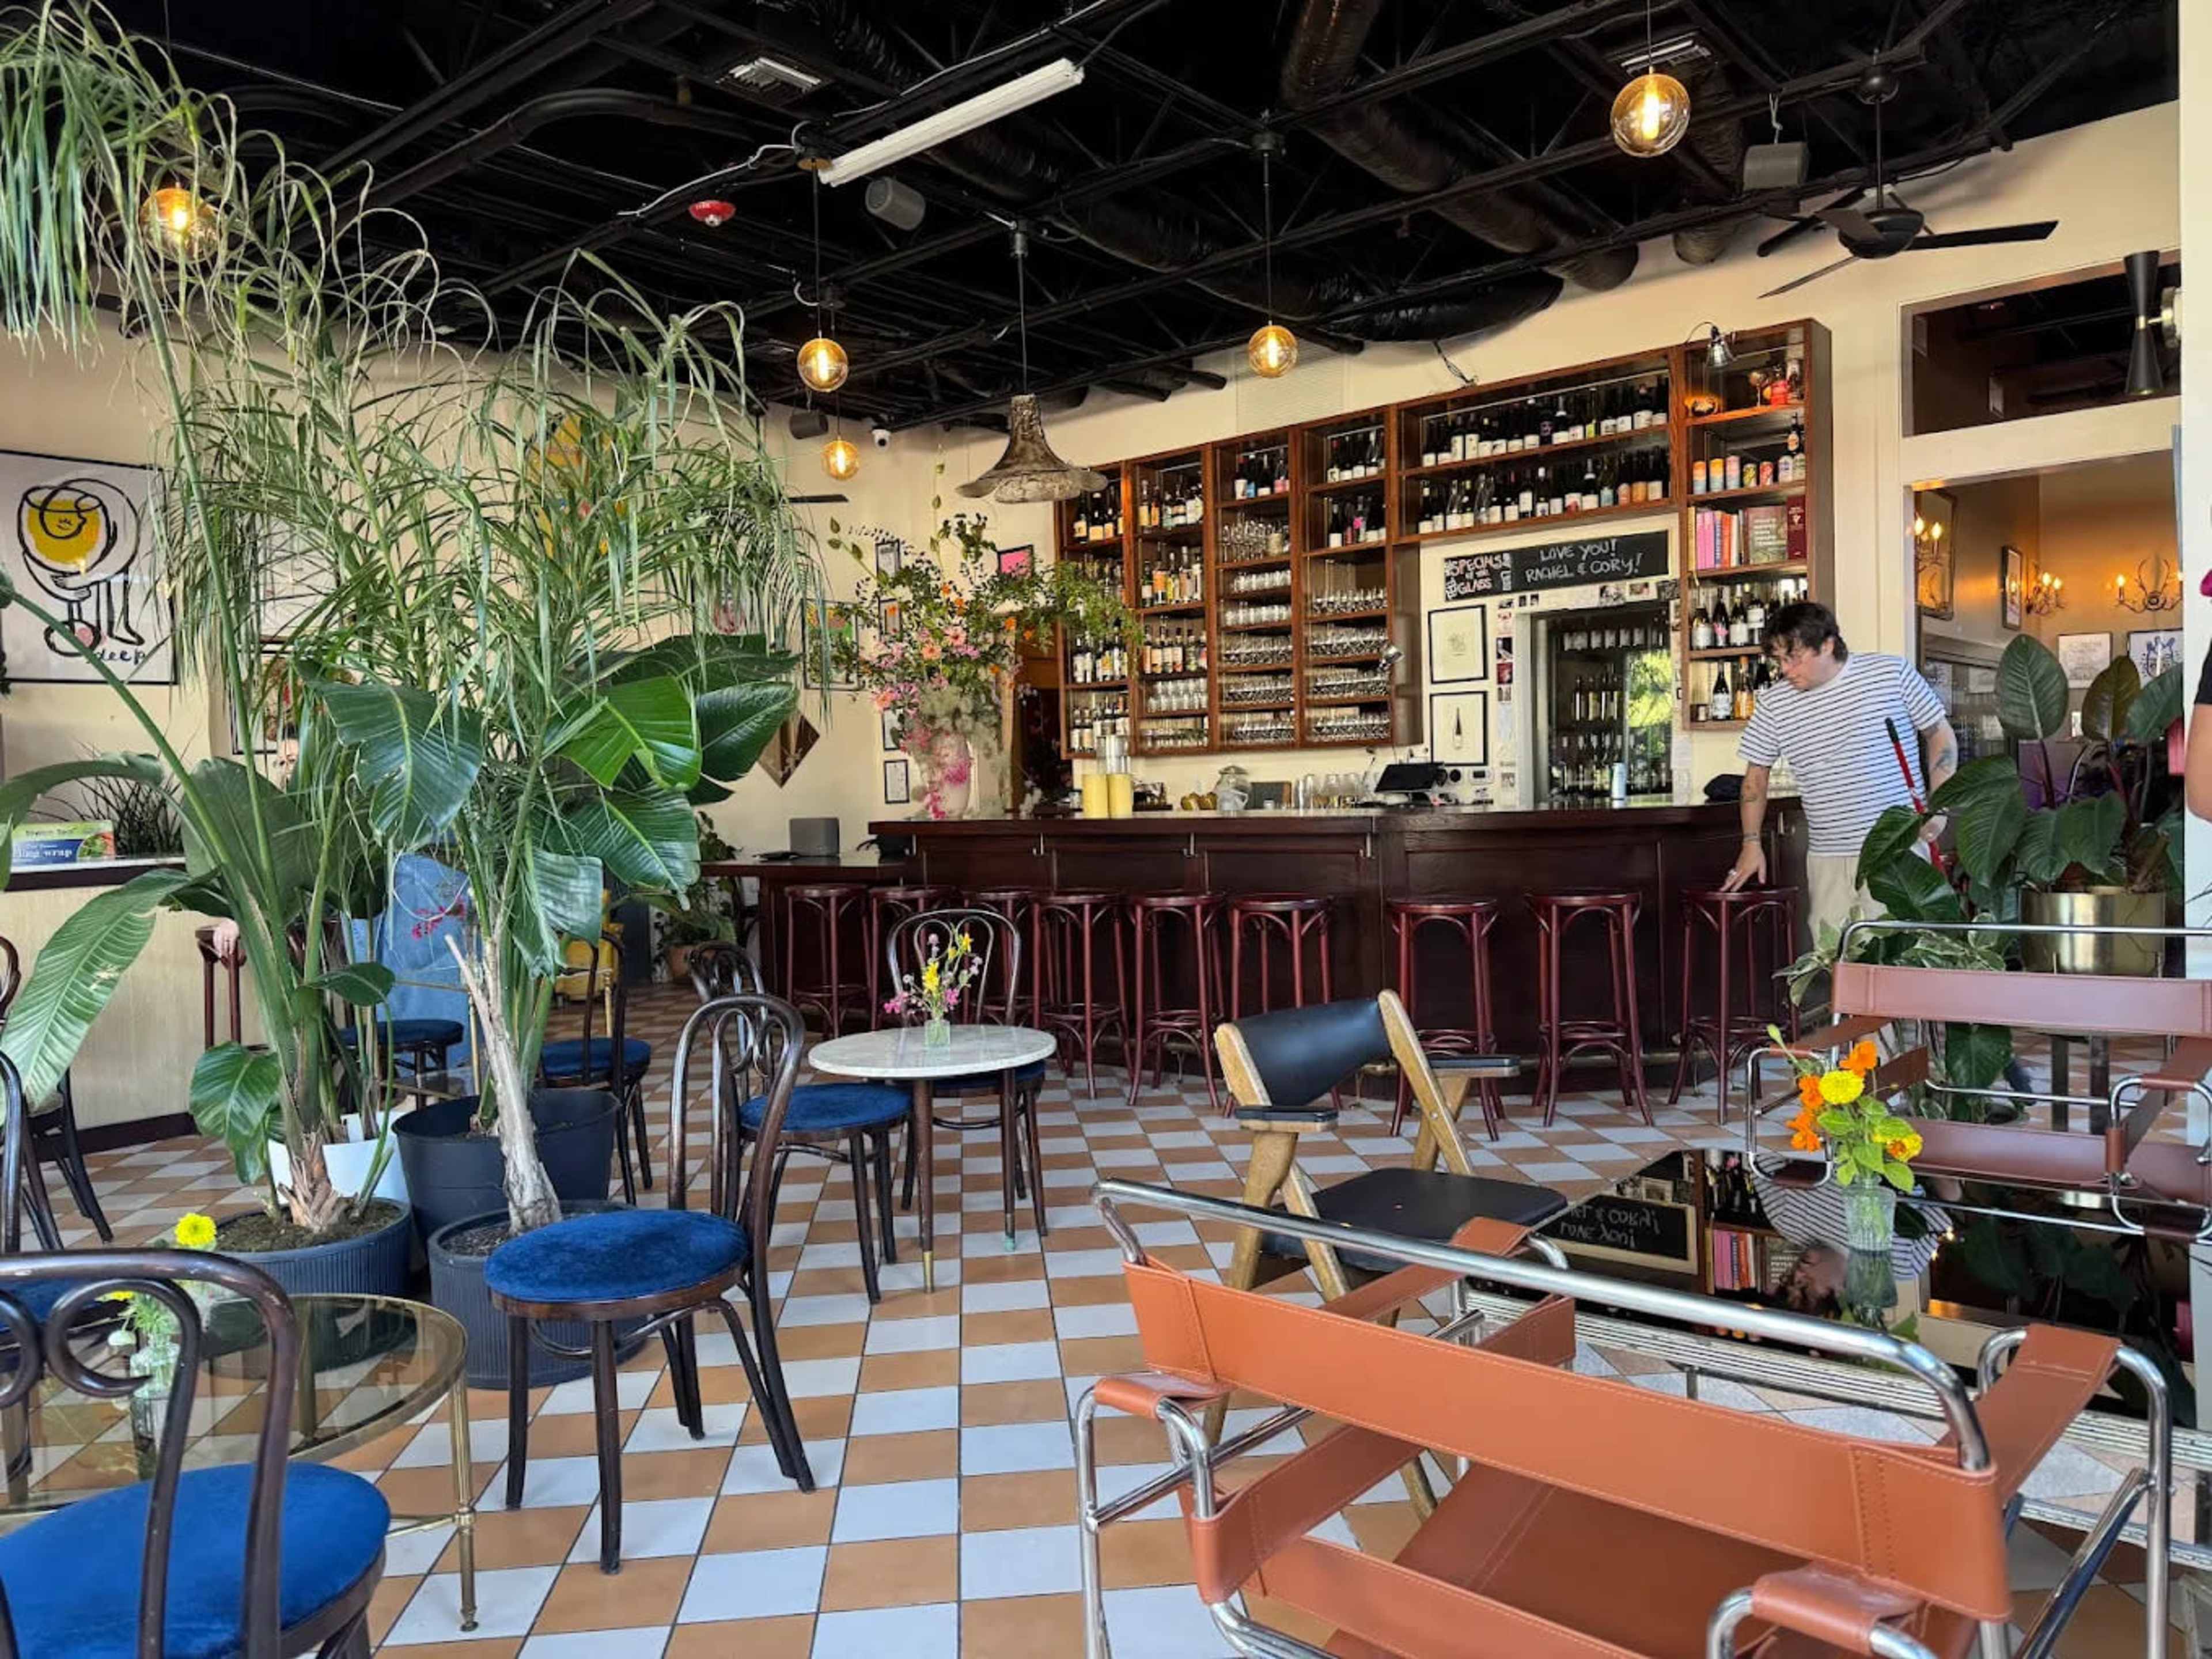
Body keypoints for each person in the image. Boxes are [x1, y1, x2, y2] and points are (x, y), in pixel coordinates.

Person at [1721, 601, 1957, 938]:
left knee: (1901, 957)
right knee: (1835, 958)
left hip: (1895, 849)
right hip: (1827, 857)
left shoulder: (1890, 674)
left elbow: (1940, 734)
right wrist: (1751, 842)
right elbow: (1756, 776)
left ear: (1828, 644)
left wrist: (1940, 807)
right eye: (1779, 660)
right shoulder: (1775, 703)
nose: (1786, 670)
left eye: (1794, 658)